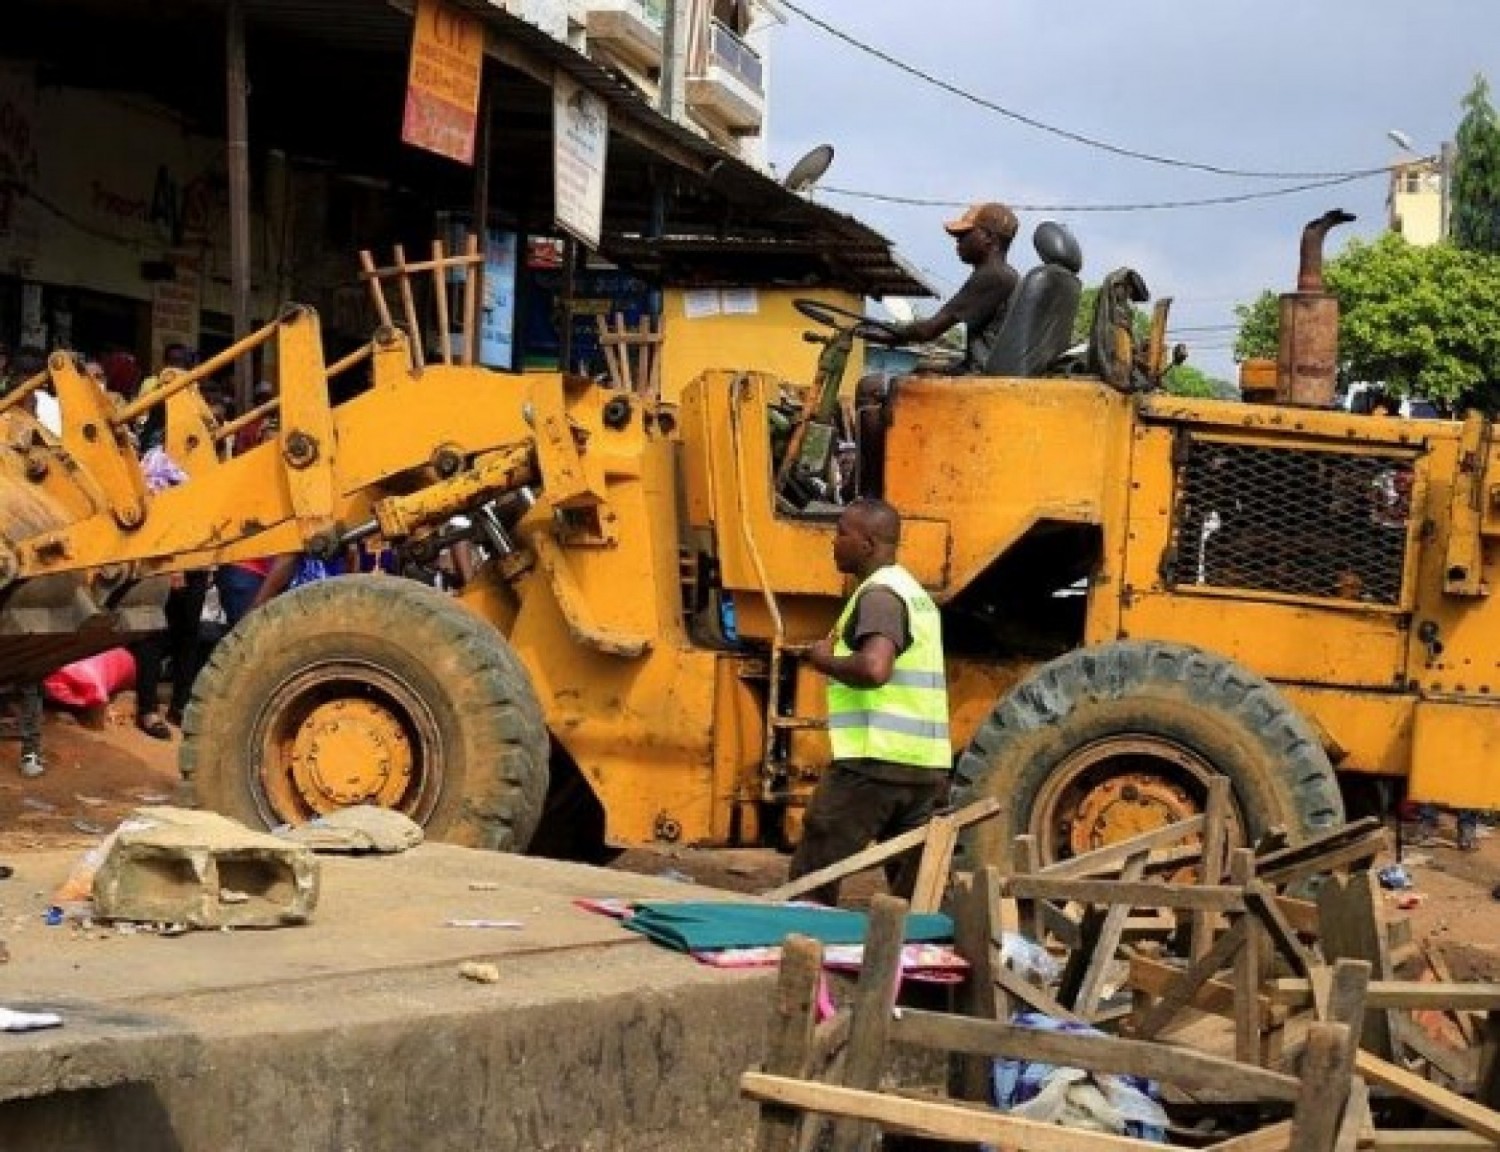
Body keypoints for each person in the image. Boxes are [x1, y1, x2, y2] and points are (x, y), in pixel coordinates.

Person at [787, 498, 952, 905]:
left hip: (873, 764)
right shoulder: (914, 594)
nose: (834, 541)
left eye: (842, 532)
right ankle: (915, 961)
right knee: (917, 894)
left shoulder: (879, 596)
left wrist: (823, 659)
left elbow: (875, 669)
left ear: (867, 544)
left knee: (813, 876)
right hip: (923, 769)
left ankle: (800, 954)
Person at [863, 201, 1020, 376]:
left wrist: (892, 334)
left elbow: (929, 330)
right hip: (983, 368)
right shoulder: (1005, 275)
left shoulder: (993, 276)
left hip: (983, 375)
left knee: (907, 382)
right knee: (922, 368)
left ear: (988, 237)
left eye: (963, 235)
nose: (957, 242)